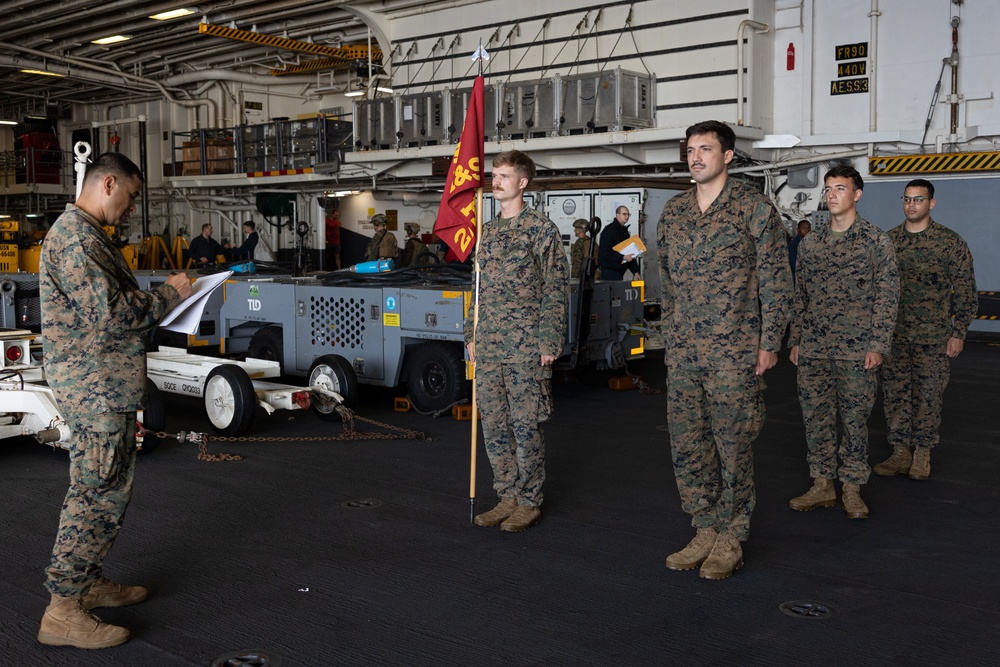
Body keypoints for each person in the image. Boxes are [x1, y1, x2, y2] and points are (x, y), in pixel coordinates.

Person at [37, 152, 193, 649]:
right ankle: (63, 610)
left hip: (101, 384)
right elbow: (110, 313)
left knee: (100, 489)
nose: (129, 209)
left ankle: (86, 582)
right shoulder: (78, 238)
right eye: (130, 197)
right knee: (95, 495)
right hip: (95, 388)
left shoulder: (83, 235)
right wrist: (169, 295)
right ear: (108, 183)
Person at [657, 120, 792, 580]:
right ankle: (704, 527)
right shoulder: (674, 212)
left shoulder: (754, 210)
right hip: (684, 354)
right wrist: (673, 334)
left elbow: (777, 283)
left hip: (735, 352)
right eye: (691, 149)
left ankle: (731, 534)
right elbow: (668, 283)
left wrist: (770, 342)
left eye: (706, 149)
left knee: (733, 446)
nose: (696, 157)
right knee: (688, 444)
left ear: (728, 156)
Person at [787, 165, 898, 520]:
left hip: (856, 350)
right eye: (829, 188)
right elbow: (799, 296)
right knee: (815, 419)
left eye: (840, 188)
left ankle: (851, 488)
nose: (832, 195)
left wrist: (877, 344)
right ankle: (822, 486)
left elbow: (887, 296)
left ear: (857, 194)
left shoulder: (875, 242)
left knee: (854, 421)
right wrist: (797, 339)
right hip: (815, 348)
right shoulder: (811, 243)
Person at [468, 149, 568, 532]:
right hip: (490, 346)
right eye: (494, 175)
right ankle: (506, 494)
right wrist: (471, 334)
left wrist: (548, 342)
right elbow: (476, 289)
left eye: (504, 176)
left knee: (526, 427)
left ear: (523, 183)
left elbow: (555, 289)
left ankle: (529, 500)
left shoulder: (541, 230)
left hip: (526, 348)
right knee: (494, 426)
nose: (495, 182)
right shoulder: (487, 232)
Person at [875, 179, 977, 480]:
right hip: (894, 337)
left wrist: (958, 332)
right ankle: (900, 451)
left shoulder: (949, 242)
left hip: (933, 338)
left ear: (931, 203)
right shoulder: (889, 241)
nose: (911, 205)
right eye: (907, 199)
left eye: (918, 200)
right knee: (895, 395)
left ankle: (922, 453)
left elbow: (966, 289)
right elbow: (878, 290)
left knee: (928, 396)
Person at [598, 205, 641, 280]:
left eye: (628, 214)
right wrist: (623, 257)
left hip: (619, 271)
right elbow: (604, 252)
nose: (627, 216)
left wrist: (635, 271)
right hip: (609, 271)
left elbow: (629, 253)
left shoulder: (624, 231)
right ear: (617, 215)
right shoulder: (609, 230)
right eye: (624, 214)